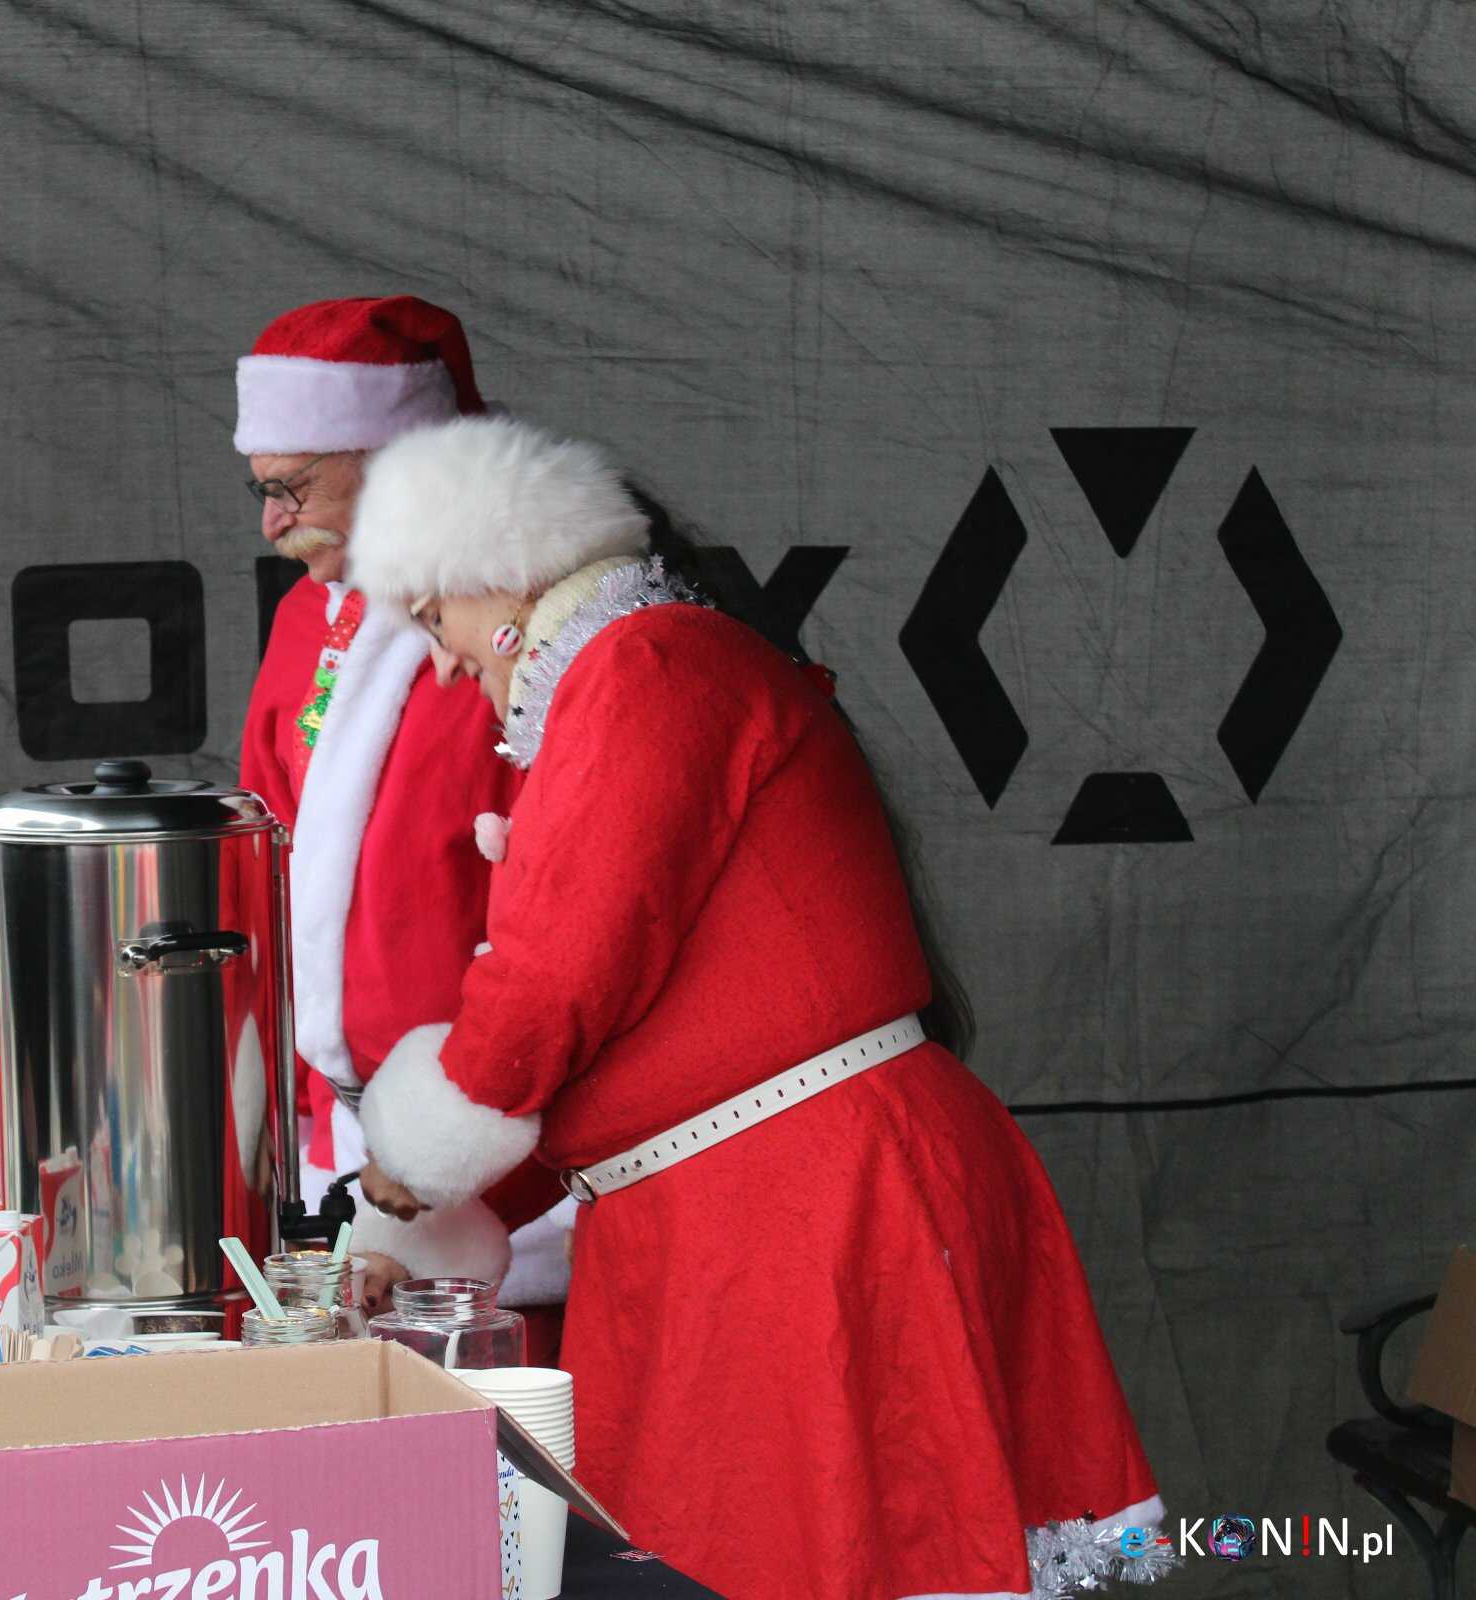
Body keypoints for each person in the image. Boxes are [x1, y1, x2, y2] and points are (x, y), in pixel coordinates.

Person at [343, 415, 1169, 1599]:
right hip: (746, 1214)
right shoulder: (635, 672)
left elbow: (556, 976)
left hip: (804, 1212)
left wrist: (416, 1162)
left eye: (435, 620)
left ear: (502, 570)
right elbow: (605, 1035)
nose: (442, 665)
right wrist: (416, 1215)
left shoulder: (645, 666)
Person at [234, 296, 576, 1327]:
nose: (271, 524)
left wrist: (456, 1152)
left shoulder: (524, 620)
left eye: (292, 488)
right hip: (350, 1155)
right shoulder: (305, 621)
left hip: (513, 1159)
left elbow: (568, 914)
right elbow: (271, 876)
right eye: (262, 489)